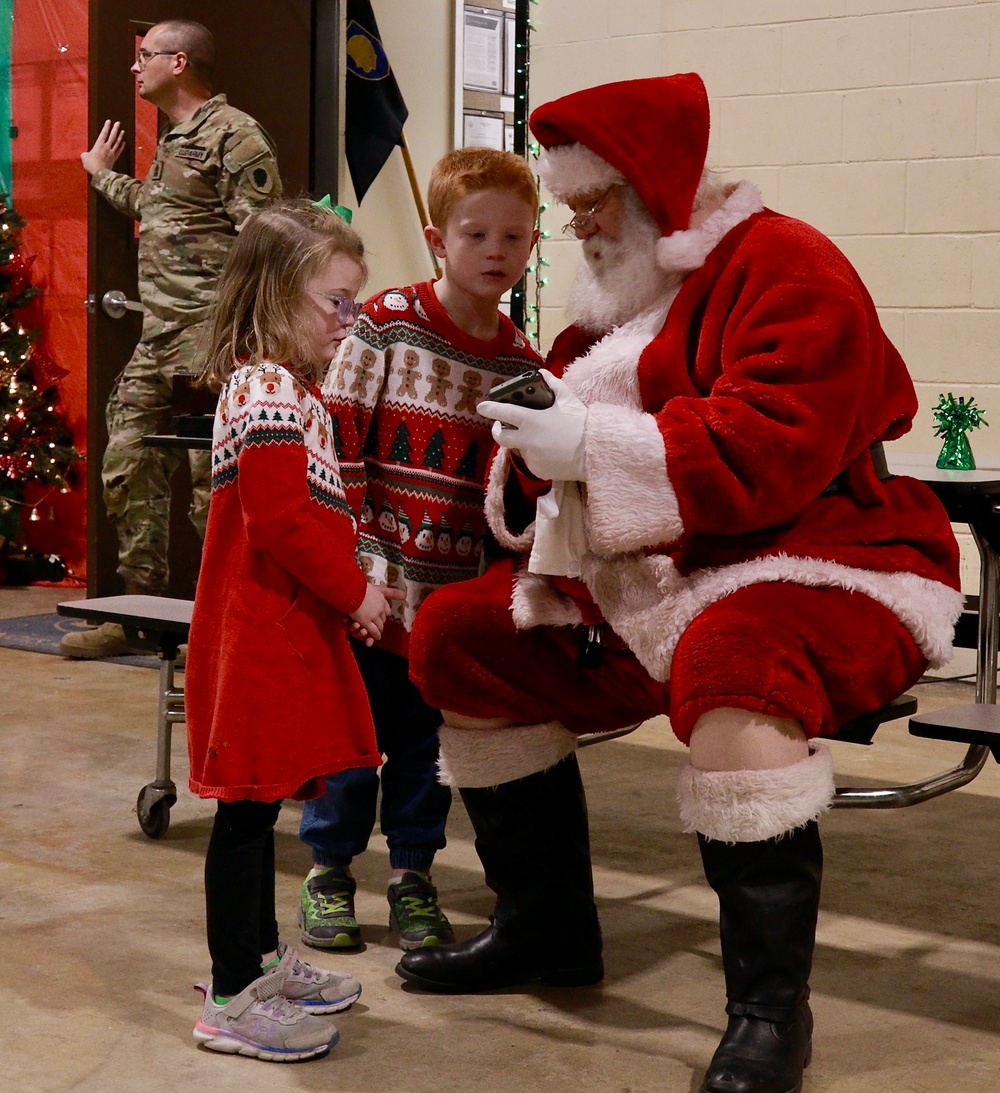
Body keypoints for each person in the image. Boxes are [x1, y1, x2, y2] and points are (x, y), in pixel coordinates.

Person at [395, 74, 965, 1093]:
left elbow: (775, 446)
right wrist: (535, 446)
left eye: (591, 205)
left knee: (732, 656)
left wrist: (589, 440)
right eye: (569, 211)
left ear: (655, 183)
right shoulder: (613, 306)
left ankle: (767, 1013)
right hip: (653, 581)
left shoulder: (787, 264)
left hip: (830, 557)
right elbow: (559, 474)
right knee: (458, 634)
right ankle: (545, 928)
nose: (579, 230)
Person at [297, 147, 542, 952]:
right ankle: (329, 871)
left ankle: (412, 875)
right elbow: (334, 438)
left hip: (450, 599)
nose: (495, 253)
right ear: (439, 240)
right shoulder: (390, 320)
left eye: (514, 236)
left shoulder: (519, 363)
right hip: (373, 581)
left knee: (427, 747)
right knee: (351, 736)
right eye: (477, 235)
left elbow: (513, 492)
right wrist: (360, 559)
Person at [185, 199, 403, 1062]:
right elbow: (280, 519)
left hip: (278, 629)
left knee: (259, 804)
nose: (348, 323)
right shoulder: (269, 385)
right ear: (277, 295)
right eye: (336, 303)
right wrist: (361, 592)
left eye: (356, 303)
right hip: (259, 634)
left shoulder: (283, 386)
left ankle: (260, 961)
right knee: (244, 813)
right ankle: (233, 993)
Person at [65, 18, 281, 659]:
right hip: (158, 340)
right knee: (126, 464)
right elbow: (161, 209)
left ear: (179, 62)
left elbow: (265, 240)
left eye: (145, 56)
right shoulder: (174, 138)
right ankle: (138, 617)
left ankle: (216, 623)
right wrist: (100, 173)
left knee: (208, 489)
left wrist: (246, 334)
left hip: (212, 341)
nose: (136, 67)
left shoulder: (235, 135)